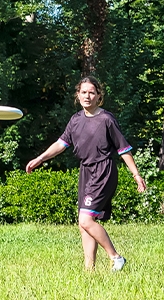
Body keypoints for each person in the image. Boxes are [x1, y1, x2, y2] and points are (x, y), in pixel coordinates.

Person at [26, 77, 146, 271]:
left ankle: (116, 257)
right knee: (84, 223)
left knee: (86, 219)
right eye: (83, 92)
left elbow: (123, 149)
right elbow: (61, 144)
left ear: (99, 96)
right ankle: (89, 270)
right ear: (78, 95)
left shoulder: (106, 119)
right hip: (86, 172)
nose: (87, 96)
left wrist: (136, 175)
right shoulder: (75, 120)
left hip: (103, 171)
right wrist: (40, 159)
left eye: (91, 92)